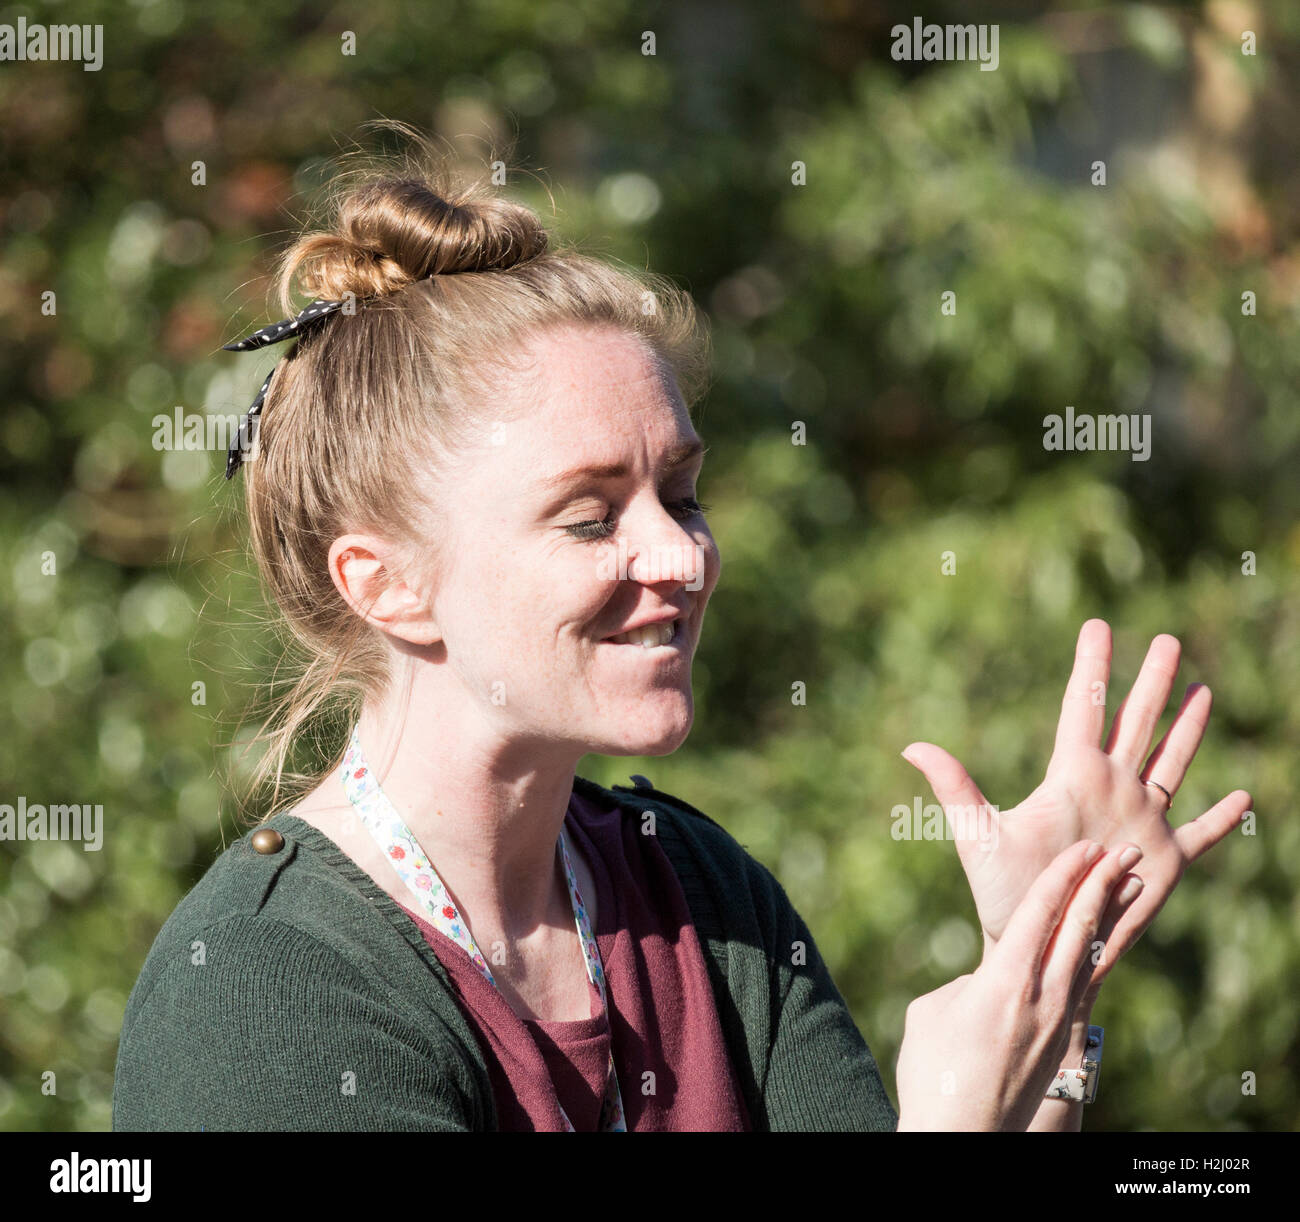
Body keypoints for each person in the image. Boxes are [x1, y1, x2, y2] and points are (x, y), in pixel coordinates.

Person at [111, 135, 1250, 1132]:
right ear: (387, 584)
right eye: (591, 514)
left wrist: (1043, 993)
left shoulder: (696, 890)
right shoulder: (267, 985)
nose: (684, 556)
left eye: (683, 494)